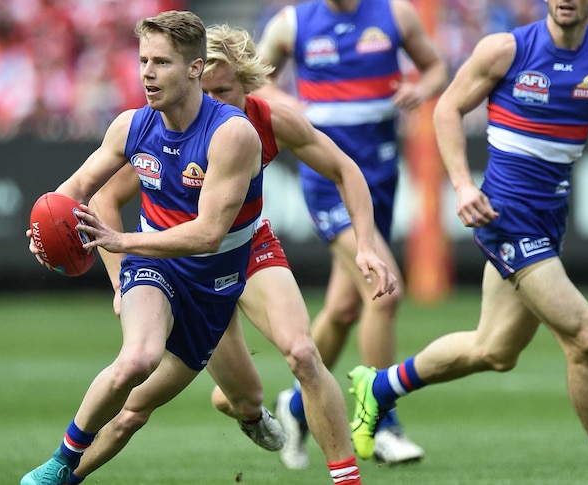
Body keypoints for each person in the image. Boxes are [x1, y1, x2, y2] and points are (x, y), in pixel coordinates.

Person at [346, 0, 588, 483]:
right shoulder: (506, 49)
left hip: (549, 221)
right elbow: (447, 108)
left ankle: (380, 387)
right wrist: (465, 185)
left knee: (495, 351)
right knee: (586, 338)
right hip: (506, 219)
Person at [78, 23, 396, 485]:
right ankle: (243, 409)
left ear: (248, 82)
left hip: (248, 247)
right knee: (231, 400)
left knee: (304, 354)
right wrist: (120, 283)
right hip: (189, 269)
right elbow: (103, 199)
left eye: (223, 90)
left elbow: (345, 170)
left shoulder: (270, 122)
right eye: (203, 90)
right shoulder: (172, 123)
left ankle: (346, 479)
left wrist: (365, 245)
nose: (211, 103)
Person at [19, 11, 266, 485]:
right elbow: (71, 192)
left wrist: (120, 240)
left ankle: (65, 477)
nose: (147, 73)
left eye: (162, 63)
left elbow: (208, 235)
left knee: (133, 413)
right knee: (138, 358)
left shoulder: (232, 134)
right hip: (154, 268)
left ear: (195, 69)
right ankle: (59, 463)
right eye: (143, 60)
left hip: (213, 285)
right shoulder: (132, 126)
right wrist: (41, 230)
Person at [253, 0, 449, 468]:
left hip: (379, 176)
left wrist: (423, 88)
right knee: (384, 291)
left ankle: (295, 407)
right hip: (327, 179)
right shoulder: (292, 23)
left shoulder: (396, 15)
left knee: (344, 309)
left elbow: (437, 66)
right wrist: (284, 102)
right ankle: (380, 421)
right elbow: (254, 79)